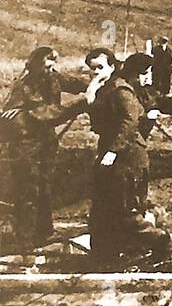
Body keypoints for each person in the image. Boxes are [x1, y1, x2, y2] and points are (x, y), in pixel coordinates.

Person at [86, 52, 172, 265]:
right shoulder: (118, 90)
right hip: (122, 156)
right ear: (137, 74)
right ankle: (109, 254)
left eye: (99, 68)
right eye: (147, 73)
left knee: (124, 209)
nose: (149, 78)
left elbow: (142, 115)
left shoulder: (126, 91)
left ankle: (159, 242)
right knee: (108, 208)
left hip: (125, 158)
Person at [0, 46, 103, 253]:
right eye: (48, 63)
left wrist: (96, 83)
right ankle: (25, 242)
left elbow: (74, 83)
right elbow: (43, 115)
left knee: (45, 187)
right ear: (36, 65)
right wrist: (83, 102)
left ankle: (44, 233)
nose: (52, 67)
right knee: (29, 191)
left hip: (46, 143)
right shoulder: (24, 87)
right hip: (25, 145)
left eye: (54, 63)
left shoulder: (52, 77)